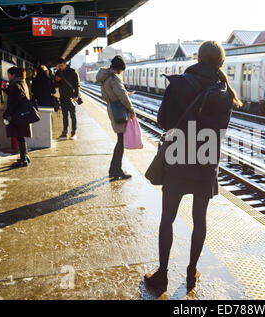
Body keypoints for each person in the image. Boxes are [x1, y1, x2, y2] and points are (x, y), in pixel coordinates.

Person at [145, 41, 242, 292]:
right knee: (200, 219)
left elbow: (163, 120)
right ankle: (191, 273)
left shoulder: (178, 84)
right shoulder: (224, 91)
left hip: (178, 157)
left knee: (168, 217)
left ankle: (162, 275)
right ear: (221, 62)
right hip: (206, 160)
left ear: (197, 57)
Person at [96, 55, 136, 179]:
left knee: (120, 140)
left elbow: (113, 94)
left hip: (112, 108)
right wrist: (131, 109)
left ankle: (114, 169)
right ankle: (116, 170)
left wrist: (123, 94)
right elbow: (122, 97)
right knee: (121, 142)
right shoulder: (114, 78)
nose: (121, 73)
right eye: (122, 70)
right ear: (119, 69)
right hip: (119, 111)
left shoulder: (105, 77)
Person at [2, 66, 33, 167]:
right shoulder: (21, 82)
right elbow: (17, 96)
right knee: (21, 136)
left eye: (9, 75)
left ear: (13, 75)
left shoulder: (15, 85)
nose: (8, 77)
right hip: (22, 114)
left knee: (19, 136)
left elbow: (13, 101)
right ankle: (25, 156)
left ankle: (23, 159)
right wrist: (6, 89)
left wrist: (7, 114)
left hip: (17, 115)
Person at [54, 58, 80, 139]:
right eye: (59, 66)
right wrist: (57, 81)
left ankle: (73, 132)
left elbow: (77, 84)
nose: (60, 67)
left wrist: (76, 95)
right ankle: (65, 132)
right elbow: (55, 85)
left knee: (73, 115)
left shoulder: (72, 72)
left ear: (65, 64)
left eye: (61, 65)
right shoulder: (58, 72)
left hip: (71, 97)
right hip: (62, 97)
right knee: (64, 116)